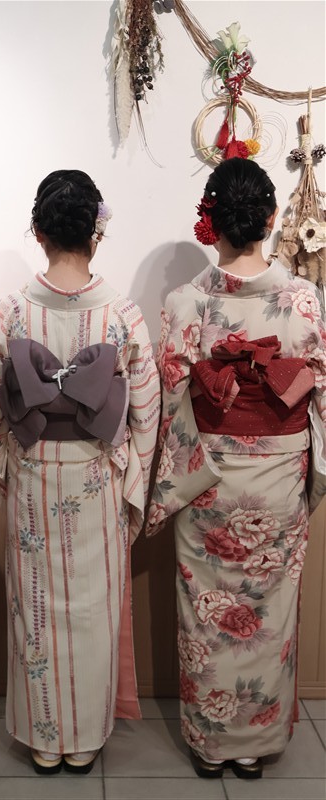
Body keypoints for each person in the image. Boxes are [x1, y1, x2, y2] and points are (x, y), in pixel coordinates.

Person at [147, 157, 326, 779]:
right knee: (268, 613)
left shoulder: (185, 302)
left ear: (210, 220)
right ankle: (256, 742)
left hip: (209, 482)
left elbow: (170, 396)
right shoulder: (304, 300)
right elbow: (320, 394)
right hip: (278, 480)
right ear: (271, 219)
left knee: (208, 610)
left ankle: (210, 742)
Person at [0, 169, 160, 774]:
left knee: (34, 605)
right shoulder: (123, 313)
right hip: (96, 476)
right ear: (96, 233)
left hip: (35, 470)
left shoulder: (11, 312)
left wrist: (6, 466)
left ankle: (44, 736)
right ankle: (84, 736)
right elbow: (146, 408)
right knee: (92, 608)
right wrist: (133, 478)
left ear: (38, 231)